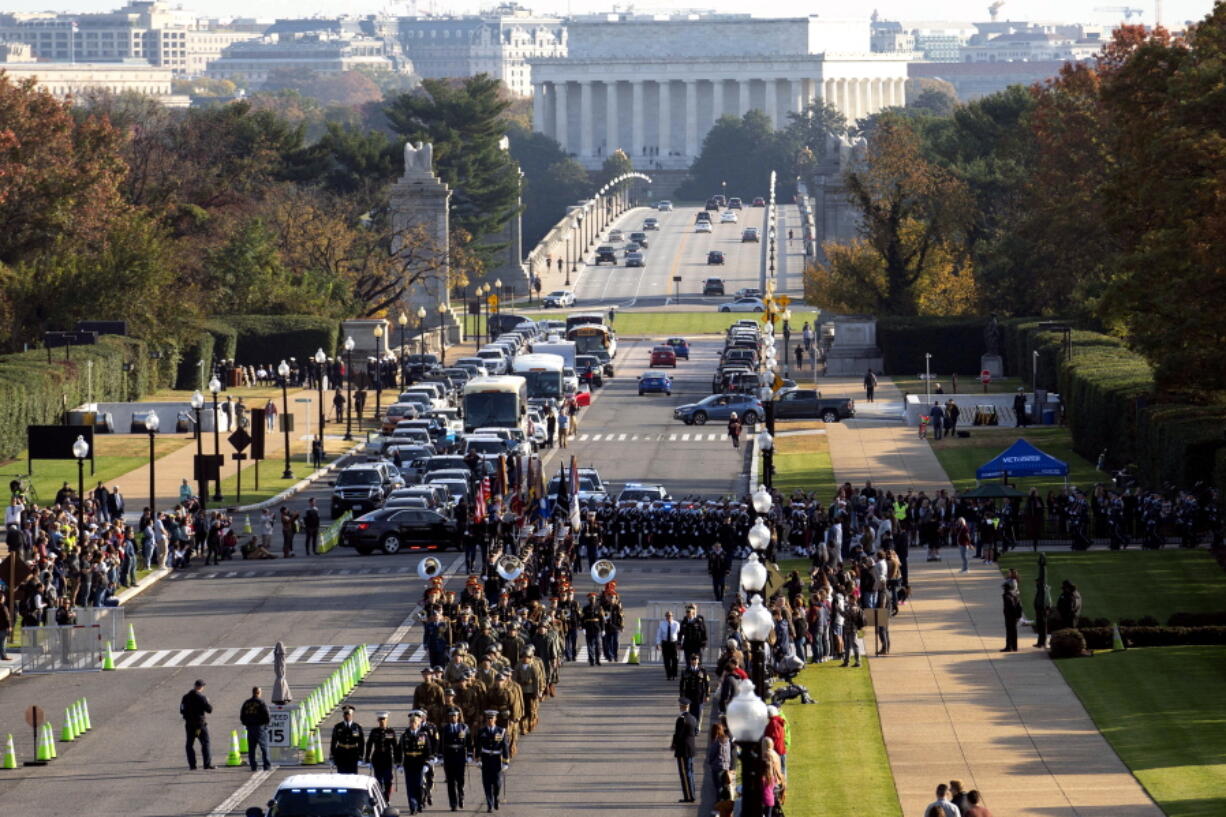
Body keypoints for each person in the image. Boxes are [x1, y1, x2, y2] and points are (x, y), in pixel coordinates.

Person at [400, 709, 435, 815]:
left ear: (418, 723)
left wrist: (427, 763)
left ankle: (419, 803)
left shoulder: (423, 735)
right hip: (409, 763)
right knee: (410, 786)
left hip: (419, 763)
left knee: (419, 785)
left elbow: (428, 750)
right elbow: (399, 750)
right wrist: (399, 764)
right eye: (411, 722)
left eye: (414, 722)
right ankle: (413, 806)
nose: (412, 724)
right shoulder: (405, 735)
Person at [477, 709, 509, 813]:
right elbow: (478, 746)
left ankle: (496, 798)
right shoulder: (481, 731)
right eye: (488, 718)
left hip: (496, 759)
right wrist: (478, 759)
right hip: (486, 759)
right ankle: (489, 804)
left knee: (497, 783)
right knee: (486, 783)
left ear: (495, 719)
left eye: (492, 718)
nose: (490, 720)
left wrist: (505, 761)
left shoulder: (501, 731)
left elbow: (505, 747)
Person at [441, 706, 472, 811]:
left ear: (458, 717)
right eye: (451, 716)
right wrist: (440, 756)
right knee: (450, 781)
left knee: (460, 779)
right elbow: (441, 743)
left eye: (455, 716)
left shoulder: (464, 727)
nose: (453, 718)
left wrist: (470, 755)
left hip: (460, 755)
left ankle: (461, 796)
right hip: (449, 756)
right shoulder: (444, 729)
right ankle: (453, 803)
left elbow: (469, 742)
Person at [365, 712, 400, 802]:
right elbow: (369, 745)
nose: (382, 722)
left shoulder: (390, 731)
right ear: (378, 721)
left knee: (388, 780)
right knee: (379, 780)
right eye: (380, 720)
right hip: (377, 758)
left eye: (383, 719)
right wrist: (367, 758)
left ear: (387, 720)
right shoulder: (374, 731)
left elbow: (395, 746)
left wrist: (397, 760)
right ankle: (380, 798)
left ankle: (387, 798)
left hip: (387, 758)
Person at [180, 679, 214, 770]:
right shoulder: (201, 698)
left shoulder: (185, 697)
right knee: (205, 743)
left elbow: (181, 710)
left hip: (189, 725)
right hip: (199, 725)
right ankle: (207, 764)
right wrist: (207, 701)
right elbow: (209, 710)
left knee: (189, 744)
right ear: (200, 687)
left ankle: (192, 765)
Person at [671, 698, 698, 803]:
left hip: (683, 749)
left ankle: (688, 796)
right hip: (691, 748)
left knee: (685, 773)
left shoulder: (681, 719)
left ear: (681, 706)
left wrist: (674, 744)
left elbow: (678, 735)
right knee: (690, 772)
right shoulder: (693, 718)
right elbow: (695, 732)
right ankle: (693, 794)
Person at [239, 686, 271, 772]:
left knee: (251, 748)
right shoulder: (261, 702)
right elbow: (267, 715)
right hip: (260, 727)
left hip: (250, 727)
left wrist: (246, 724)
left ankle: (253, 766)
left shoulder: (247, 703)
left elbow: (242, 716)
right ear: (259, 693)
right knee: (264, 747)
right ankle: (266, 766)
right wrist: (265, 725)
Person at [330, 704, 365, 774]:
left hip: (353, 754)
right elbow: (333, 741)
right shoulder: (338, 727)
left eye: (348, 714)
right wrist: (332, 756)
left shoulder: (357, 727)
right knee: (341, 774)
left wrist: (361, 756)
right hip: (341, 753)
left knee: (353, 774)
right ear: (343, 715)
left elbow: (361, 742)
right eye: (345, 714)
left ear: (352, 715)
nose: (347, 716)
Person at [678, 654, 711, 726]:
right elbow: (681, 685)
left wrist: (707, 695)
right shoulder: (685, 671)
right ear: (690, 661)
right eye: (692, 659)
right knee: (689, 712)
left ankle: (697, 727)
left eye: (696, 659)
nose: (694, 661)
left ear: (698, 661)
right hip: (688, 695)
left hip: (699, 695)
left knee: (699, 712)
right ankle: (690, 726)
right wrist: (682, 695)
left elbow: (707, 684)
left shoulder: (703, 671)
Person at [657, 610, 680, 681]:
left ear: (672, 616)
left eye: (670, 616)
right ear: (665, 617)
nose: (668, 617)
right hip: (665, 643)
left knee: (674, 660)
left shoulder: (676, 624)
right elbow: (659, 634)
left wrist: (680, 643)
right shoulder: (662, 624)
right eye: (667, 616)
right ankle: (669, 674)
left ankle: (674, 674)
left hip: (673, 643)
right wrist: (658, 643)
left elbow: (679, 634)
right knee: (666, 660)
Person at [1002, 581, 1023, 652]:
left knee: (1009, 631)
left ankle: (1009, 647)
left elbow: (1012, 607)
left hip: (1010, 616)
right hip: (1013, 616)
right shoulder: (1015, 594)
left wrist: (1015, 615)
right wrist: (1018, 616)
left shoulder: (1007, 596)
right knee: (1014, 631)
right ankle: (1014, 646)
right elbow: (1019, 606)